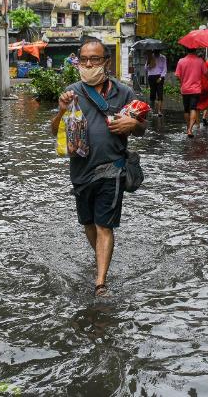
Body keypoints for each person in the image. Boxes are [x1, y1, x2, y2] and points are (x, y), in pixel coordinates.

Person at [50, 39, 147, 297]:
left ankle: (100, 282)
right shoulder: (71, 93)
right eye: (84, 60)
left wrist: (131, 125)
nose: (89, 64)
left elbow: (142, 128)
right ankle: (102, 258)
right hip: (81, 171)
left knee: (105, 226)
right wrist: (61, 111)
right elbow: (53, 131)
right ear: (78, 62)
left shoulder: (124, 93)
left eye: (94, 59)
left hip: (112, 169)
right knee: (89, 224)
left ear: (106, 61)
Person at [174, 46, 207, 137]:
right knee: (193, 108)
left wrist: (182, 81)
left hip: (185, 89)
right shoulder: (200, 61)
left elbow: (177, 75)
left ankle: (187, 126)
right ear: (195, 50)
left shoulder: (181, 61)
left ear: (186, 50)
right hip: (196, 89)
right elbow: (205, 72)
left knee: (186, 109)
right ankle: (190, 129)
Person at [145, 50, 167, 117]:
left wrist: (161, 77)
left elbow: (165, 68)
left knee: (160, 93)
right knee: (152, 93)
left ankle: (159, 111)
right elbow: (146, 68)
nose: (156, 52)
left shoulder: (163, 57)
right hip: (151, 76)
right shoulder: (150, 57)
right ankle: (152, 110)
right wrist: (149, 62)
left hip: (159, 76)